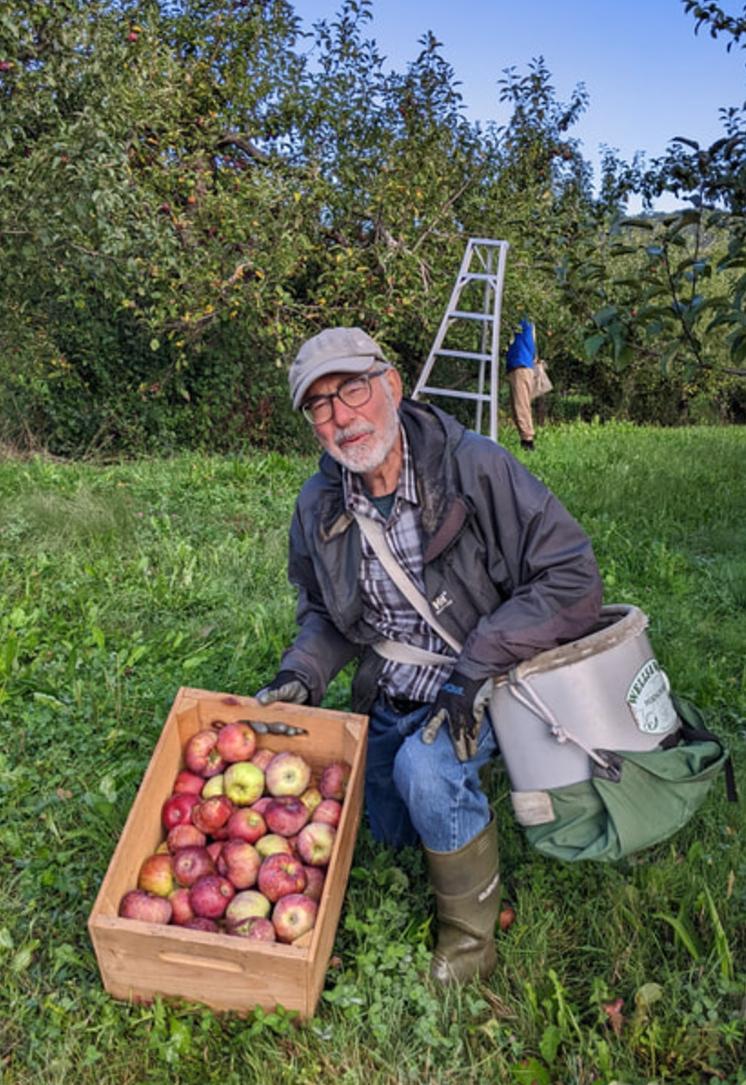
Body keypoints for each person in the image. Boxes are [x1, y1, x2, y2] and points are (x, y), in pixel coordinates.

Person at [255, 326, 602, 985]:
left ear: (390, 385)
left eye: (352, 390)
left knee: (425, 770)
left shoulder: (473, 467)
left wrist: (475, 668)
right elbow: (326, 617)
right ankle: (443, 809)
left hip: (491, 679)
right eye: (320, 406)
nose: (342, 417)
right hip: (397, 683)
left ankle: (470, 947)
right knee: (385, 831)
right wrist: (301, 673)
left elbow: (571, 577)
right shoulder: (319, 503)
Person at [506, 316, 536, 450]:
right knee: (517, 403)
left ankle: (528, 441)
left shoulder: (522, 319)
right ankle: (525, 439)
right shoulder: (527, 321)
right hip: (519, 363)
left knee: (521, 402)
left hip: (520, 364)